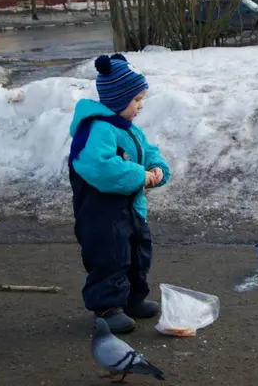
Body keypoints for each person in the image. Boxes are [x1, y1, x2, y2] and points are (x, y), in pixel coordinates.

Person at [67, 53, 170, 334]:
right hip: (101, 212)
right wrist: (140, 176)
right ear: (117, 99)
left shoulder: (128, 129)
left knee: (138, 252)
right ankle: (107, 308)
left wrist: (157, 168)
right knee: (110, 257)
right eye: (136, 100)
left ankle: (132, 299)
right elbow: (100, 167)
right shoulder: (97, 130)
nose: (140, 106)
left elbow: (146, 151)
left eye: (141, 99)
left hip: (132, 208)